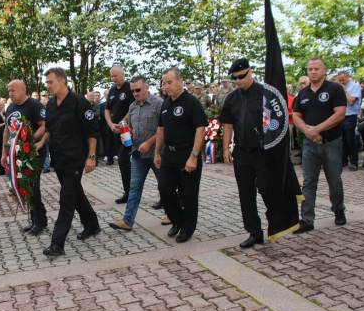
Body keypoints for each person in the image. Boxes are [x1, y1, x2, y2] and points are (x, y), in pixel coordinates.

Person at [40, 68, 101, 257]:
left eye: (50, 82)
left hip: (75, 158)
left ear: (62, 82)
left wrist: (91, 157)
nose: (48, 86)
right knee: (75, 193)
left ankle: (57, 244)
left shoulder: (79, 102)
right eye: (47, 82)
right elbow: (50, 129)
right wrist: (41, 142)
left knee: (66, 198)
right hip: (58, 158)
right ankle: (92, 224)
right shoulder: (50, 104)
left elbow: (92, 132)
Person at [219, 59, 276, 248]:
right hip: (242, 152)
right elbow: (228, 124)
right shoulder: (232, 98)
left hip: (263, 152)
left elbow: (277, 121)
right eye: (235, 78)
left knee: (268, 190)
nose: (238, 81)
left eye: (241, 76)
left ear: (250, 72)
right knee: (246, 194)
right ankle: (254, 232)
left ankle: (275, 224)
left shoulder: (265, 93)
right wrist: (226, 147)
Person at [292, 57, 347, 233]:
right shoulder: (303, 93)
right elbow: (296, 115)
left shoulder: (335, 89)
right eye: (310, 69)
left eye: (316, 68)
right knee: (308, 182)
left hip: (331, 143)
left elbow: (340, 114)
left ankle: (338, 210)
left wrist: (317, 129)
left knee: (334, 180)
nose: (313, 72)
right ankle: (307, 219)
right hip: (309, 145)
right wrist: (308, 131)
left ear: (324, 70)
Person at [154, 68, 208, 243]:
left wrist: (194, 156)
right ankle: (177, 220)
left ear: (180, 81)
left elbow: (201, 129)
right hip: (169, 154)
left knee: (189, 194)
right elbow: (161, 129)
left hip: (187, 153)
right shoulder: (166, 103)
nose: (166, 86)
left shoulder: (191, 102)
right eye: (164, 83)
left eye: (169, 82)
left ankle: (187, 228)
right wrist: (157, 152)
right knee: (165, 189)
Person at [109, 76, 164, 230]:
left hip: (156, 153)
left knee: (165, 186)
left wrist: (149, 143)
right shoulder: (132, 106)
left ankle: (172, 215)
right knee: (134, 187)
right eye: (132, 90)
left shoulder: (159, 104)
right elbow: (132, 127)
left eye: (138, 89)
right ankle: (127, 220)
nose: (135, 93)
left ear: (147, 87)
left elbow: (164, 130)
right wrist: (127, 133)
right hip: (138, 153)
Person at [2, 80, 48, 235]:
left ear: (23, 89)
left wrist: (29, 140)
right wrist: (4, 152)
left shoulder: (34, 105)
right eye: (9, 91)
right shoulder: (10, 108)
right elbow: (7, 131)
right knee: (25, 186)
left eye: (13, 90)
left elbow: (44, 125)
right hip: (17, 153)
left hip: (34, 153)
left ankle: (40, 221)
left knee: (33, 185)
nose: (10, 94)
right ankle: (35, 220)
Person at [105, 65, 135, 203]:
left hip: (127, 130)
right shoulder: (112, 91)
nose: (114, 78)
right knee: (122, 162)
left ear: (123, 74)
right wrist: (111, 124)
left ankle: (131, 191)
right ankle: (127, 191)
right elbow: (107, 109)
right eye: (112, 76)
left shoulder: (130, 88)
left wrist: (122, 122)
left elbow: (132, 108)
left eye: (116, 75)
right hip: (115, 131)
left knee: (123, 159)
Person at [337, 71, 361, 171]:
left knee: (350, 139)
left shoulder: (355, 86)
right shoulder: (337, 87)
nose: (341, 82)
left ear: (348, 77)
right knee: (341, 139)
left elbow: (351, 101)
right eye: (340, 80)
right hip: (340, 116)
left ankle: (354, 162)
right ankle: (343, 160)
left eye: (343, 80)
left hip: (350, 115)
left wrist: (344, 90)